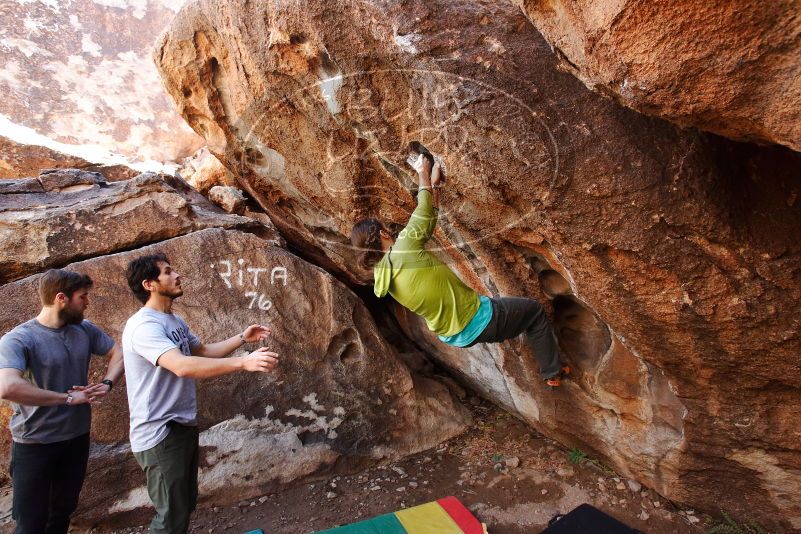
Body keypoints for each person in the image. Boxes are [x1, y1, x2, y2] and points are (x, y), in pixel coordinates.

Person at [351, 154, 569, 386]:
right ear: (384, 234)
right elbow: (422, 213)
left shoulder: (384, 277)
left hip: (454, 335)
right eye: (386, 229)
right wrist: (422, 171)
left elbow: (428, 220)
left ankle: (544, 360)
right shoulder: (404, 247)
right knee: (534, 312)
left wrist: (435, 186)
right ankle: (552, 373)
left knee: (512, 314)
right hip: (477, 320)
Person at [122, 253, 279, 534]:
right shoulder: (144, 326)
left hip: (179, 426)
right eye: (167, 272)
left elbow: (202, 351)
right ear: (150, 284)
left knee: (182, 506)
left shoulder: (173, 320)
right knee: (170, 515)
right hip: (158, 432)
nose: (177, 275)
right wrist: (243, 363)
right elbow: (181, 366)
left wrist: (243, 338)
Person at [0, 269, 125, 534]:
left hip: (75, 440)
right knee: (30, 522)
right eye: (83, 297)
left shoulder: (84, 329)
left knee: (62, 513)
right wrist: (67, 398)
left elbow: (119, 352)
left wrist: (107, 383)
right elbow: (8, 386)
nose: (87, 302)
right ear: (61, 298)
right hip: (35, 444)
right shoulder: (19, 339)